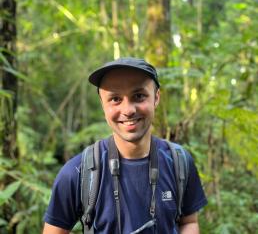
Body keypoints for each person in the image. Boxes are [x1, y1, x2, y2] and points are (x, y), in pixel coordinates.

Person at [43, 57, 207, 234]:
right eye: (115, 99)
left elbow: (189, 222)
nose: (128, 110)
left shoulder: (179, 162)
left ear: (156, 98)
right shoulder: (78, 172)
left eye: (139, 96)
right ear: (102, 105)